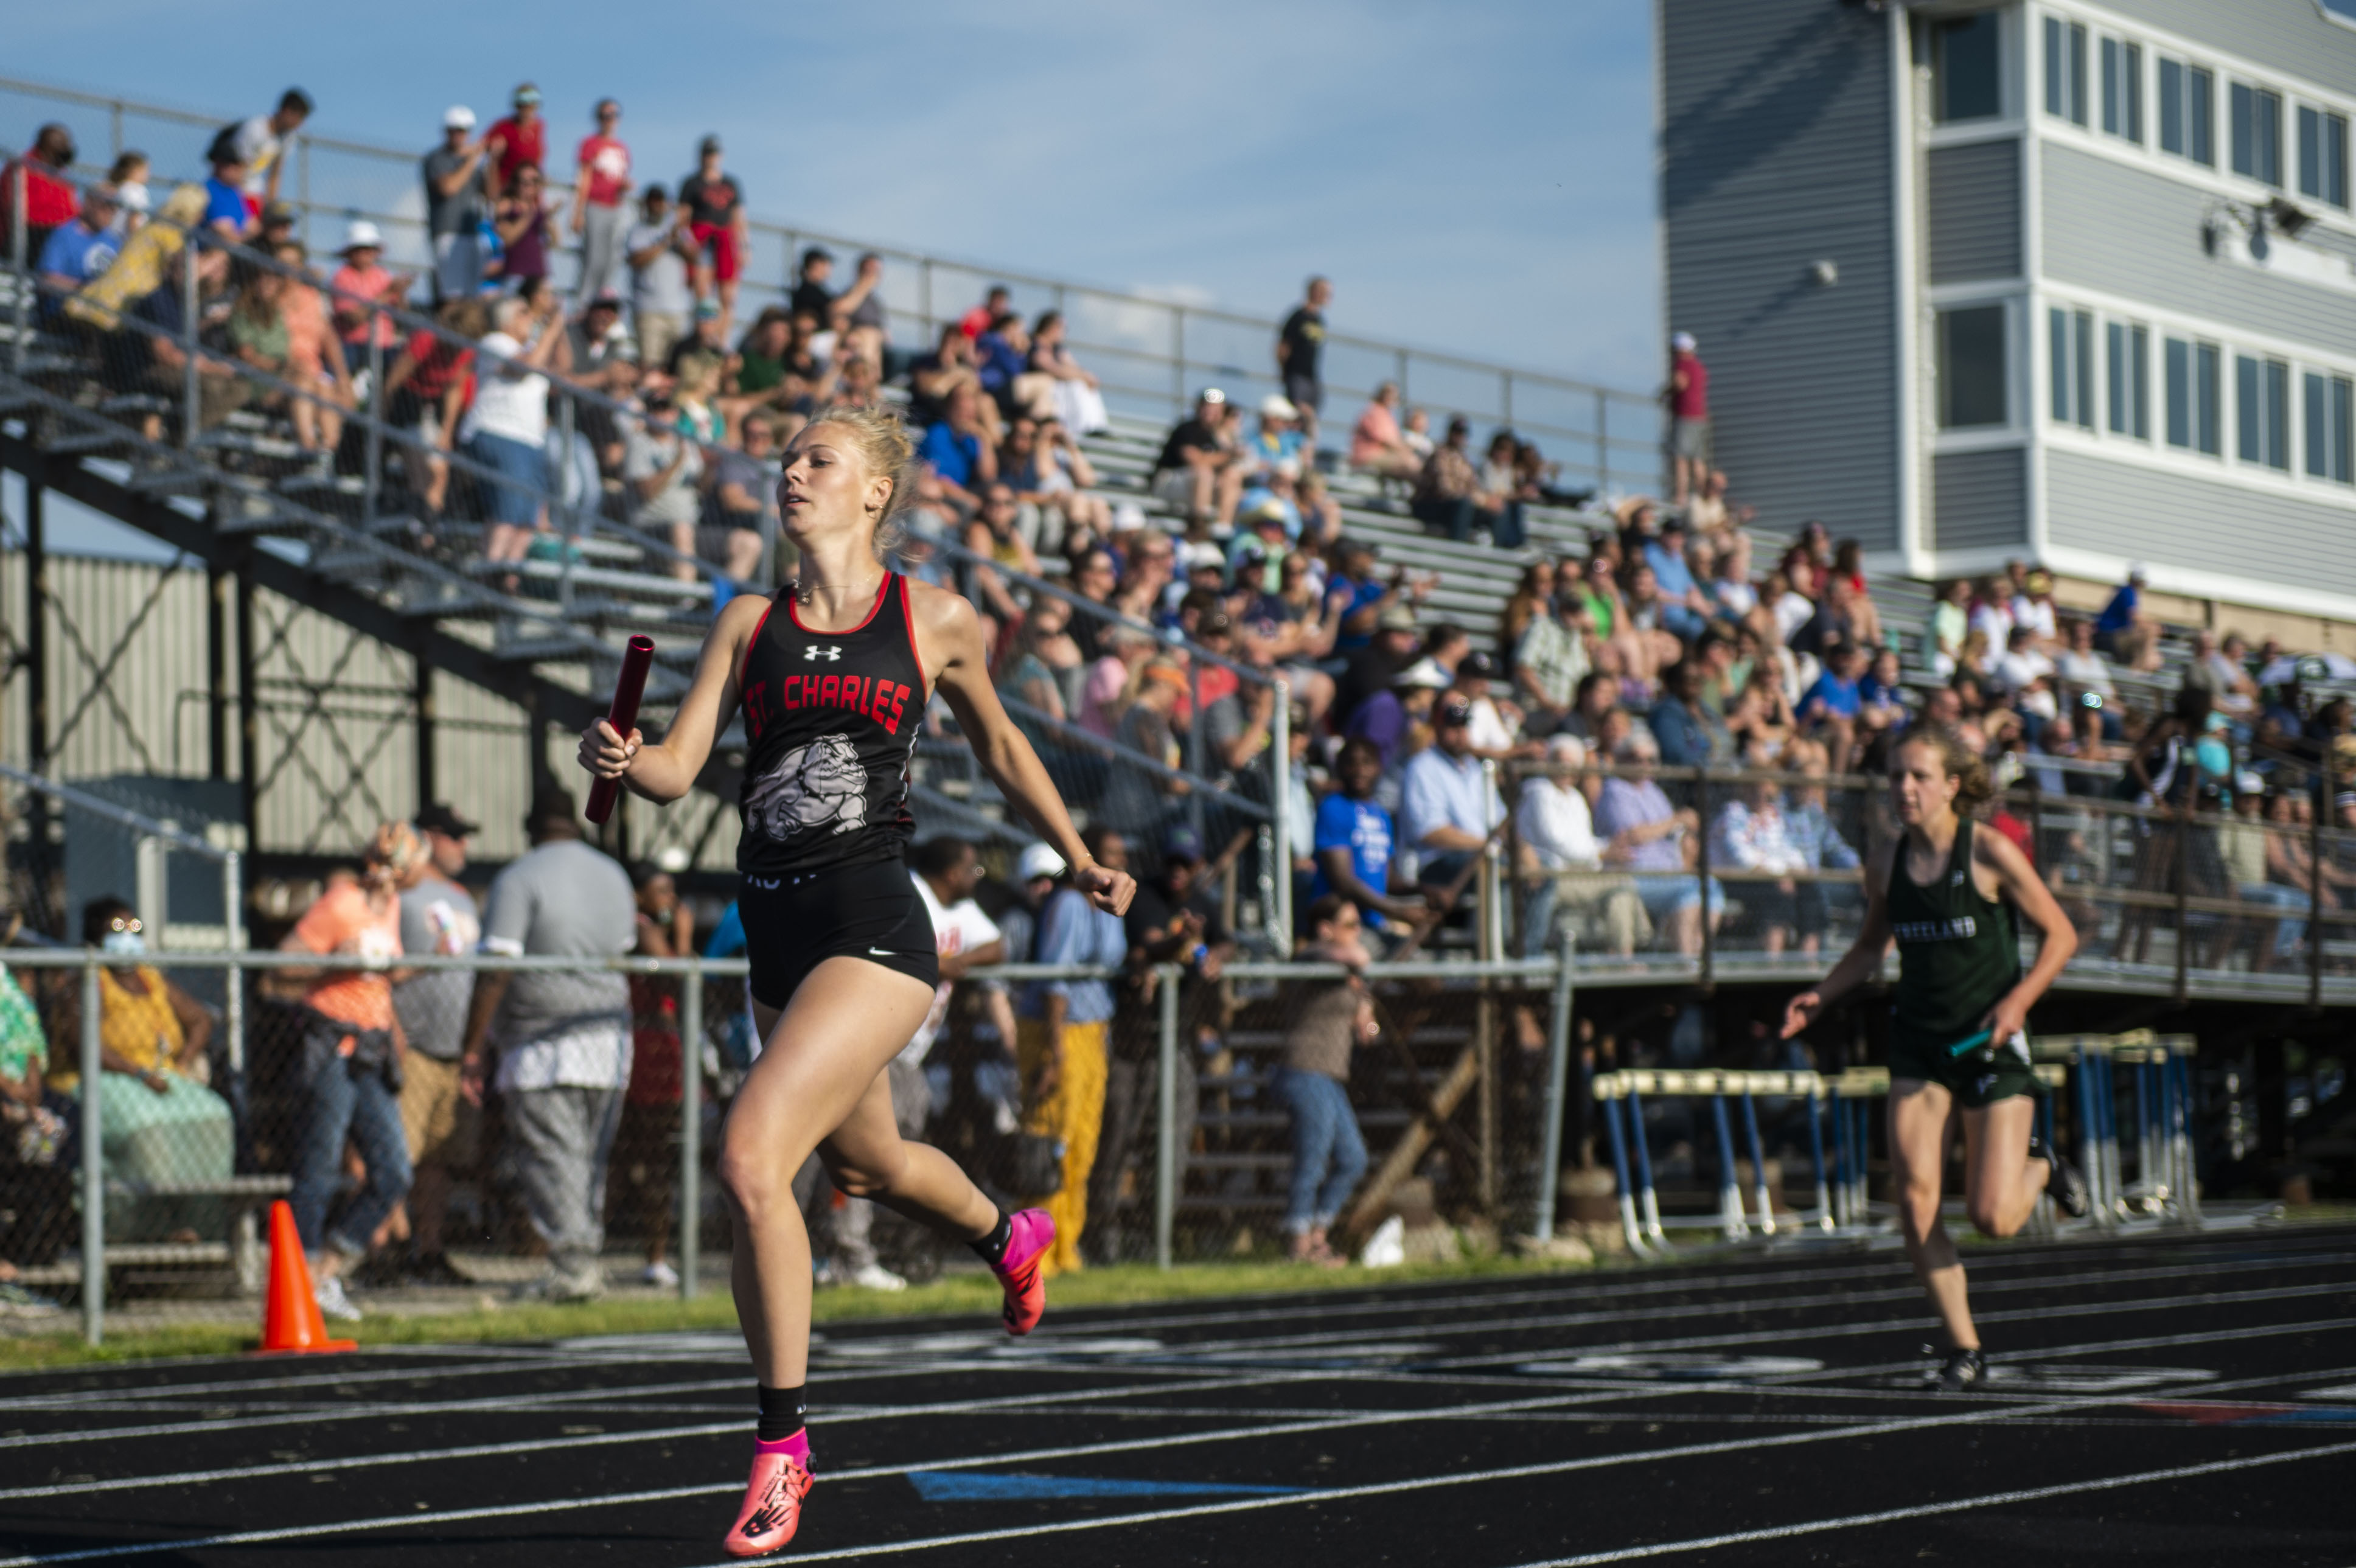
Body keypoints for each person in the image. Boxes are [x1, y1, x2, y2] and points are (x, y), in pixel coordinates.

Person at [576, 401, 1135, 1555]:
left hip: (876, 926)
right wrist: (623, 763)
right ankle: (1006, 1235)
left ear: (874, 490)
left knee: (748, 1156)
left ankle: (783, 1447)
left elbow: (1002, 748)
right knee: (869, 1165)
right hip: (773, 929)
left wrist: (1077, 855)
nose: (791, 473)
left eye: (816, 460)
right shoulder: (746, 621)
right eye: (786, 459)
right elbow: (680, 773)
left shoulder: (934, 617)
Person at [1780, 730, 2088, 1390]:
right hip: (1919, 1046)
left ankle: (2042, 1165)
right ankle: (1963, 1348)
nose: (1903, 789)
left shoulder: (1987, 851)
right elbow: (1869, 949)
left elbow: (2060, 934)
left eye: (1917, 776)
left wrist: (2016, 1005)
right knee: (1914, 1204)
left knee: (1992, 1218)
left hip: (1990, 1044)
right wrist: (1819, 995)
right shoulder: (1885, 860)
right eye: (1894, 777)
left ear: (1951, 784)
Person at [278, 826, 423, 1322]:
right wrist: (333, 962)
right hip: (333, 1044)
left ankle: (328, 1270)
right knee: (319, 1166)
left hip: (373, 1046)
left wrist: (429, 964)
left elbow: (382, 974)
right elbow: (283, 964)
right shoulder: (343, 901)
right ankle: (299, 1274)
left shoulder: (394, 908)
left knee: (393, 1171)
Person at [388, 803, 480, 1286]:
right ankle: (390, 1250)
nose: (464, 846)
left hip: (453, 1051)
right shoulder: (399, 895)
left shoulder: (463, 898)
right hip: (413, 1044)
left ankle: (429, 1249)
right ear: (428, 838)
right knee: (397, 1154)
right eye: (455, 836)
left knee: (439, 1159)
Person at [1277, 895, 1377, 1266]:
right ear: (1326, 929)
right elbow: (1359, 957)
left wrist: (1367, 1008)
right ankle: (1299, 1246)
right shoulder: (1312, 956)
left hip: (1331, 1075)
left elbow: (1368, 1024)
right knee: (1313, 1160)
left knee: (1354, 1158)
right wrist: (1357, 965)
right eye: (1349, 925)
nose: (1357, 932)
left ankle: (1318, 1236)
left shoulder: (1345, 974)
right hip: (1304, 1070)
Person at [617, 865, 693, 1290]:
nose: (671, 900)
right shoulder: (643, 929)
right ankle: (652, 1252)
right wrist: (682, 935)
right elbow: (676, 972)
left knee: (657, 1157)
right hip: (647, 1048)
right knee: (645, 1157)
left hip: (662, 1046)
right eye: (661, 890)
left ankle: (657, 1255)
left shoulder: (652, 929)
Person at [422, 106, 490, 302]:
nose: (460, 135)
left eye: (464, 130)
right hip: (447, 232)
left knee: (472, 296)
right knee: (452, 295)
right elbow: (449, 188)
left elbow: (490, 193)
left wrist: (491, 160)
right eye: (455, 130)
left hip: (473, 233)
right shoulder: (436, 158)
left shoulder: (470, 162)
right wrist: (474, 157)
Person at [679, 135, 748, 324]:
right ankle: (704, 334)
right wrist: (687, 242)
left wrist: (745, 246)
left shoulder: (731, 183)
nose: (710, 158)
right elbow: (682, 217)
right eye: (707, 153)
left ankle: (722, 340)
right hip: (702, 242)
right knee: (703, 296)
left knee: (728, 298)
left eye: (713, 153)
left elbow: (739, 217)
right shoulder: (691, 183)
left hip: (726, 241)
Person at [627, 185, 697, 369]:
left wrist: (679, 234)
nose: (657, 206)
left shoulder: (680, 231)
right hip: (648, 309)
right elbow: (637, 259)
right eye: (653, 201)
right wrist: (666, 240)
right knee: (650, 365)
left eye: (660, 201)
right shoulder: (638, 231)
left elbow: (694, 256)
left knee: (677, 366)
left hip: (677, 310)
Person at [571, 99, 634, 305]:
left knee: (612, 261)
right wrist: (578, 213)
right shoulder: (591, 144)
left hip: (616, 208)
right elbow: (584, 178)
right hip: (596, 206)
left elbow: (620, 177)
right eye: (605, 116)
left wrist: (625, 187)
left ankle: (602, 305)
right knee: (592, 261)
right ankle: (582, 306)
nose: (610, 120)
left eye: (614, 115)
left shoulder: (622, 148)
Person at [1276, 276, 1331, 439]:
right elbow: (1283, 347)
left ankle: (1305, 451)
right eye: (1325, 292)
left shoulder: (1320, 320)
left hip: (1312, 376)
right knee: (1301, 416)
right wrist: (1285, 373)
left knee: (1311, 416)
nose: (1328, 297)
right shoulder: (1298, 316)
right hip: (1296, 374)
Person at [1665, 331, 1710, 504]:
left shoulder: (1682, 364)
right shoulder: (1698, 366)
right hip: (1700, 417)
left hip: (1686, 416)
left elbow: (1680, 383)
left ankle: (1681, 497)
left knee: (1681, 459)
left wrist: (1665, 394)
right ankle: (1703, 496)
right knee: (1698, 460)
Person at [483, 83, 545, 198]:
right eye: (523, 104)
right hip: (508, 191)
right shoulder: (503, 127)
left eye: (531, 104)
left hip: (531, 192)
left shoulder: (540, 126)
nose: (527, 108)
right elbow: (482, 146)